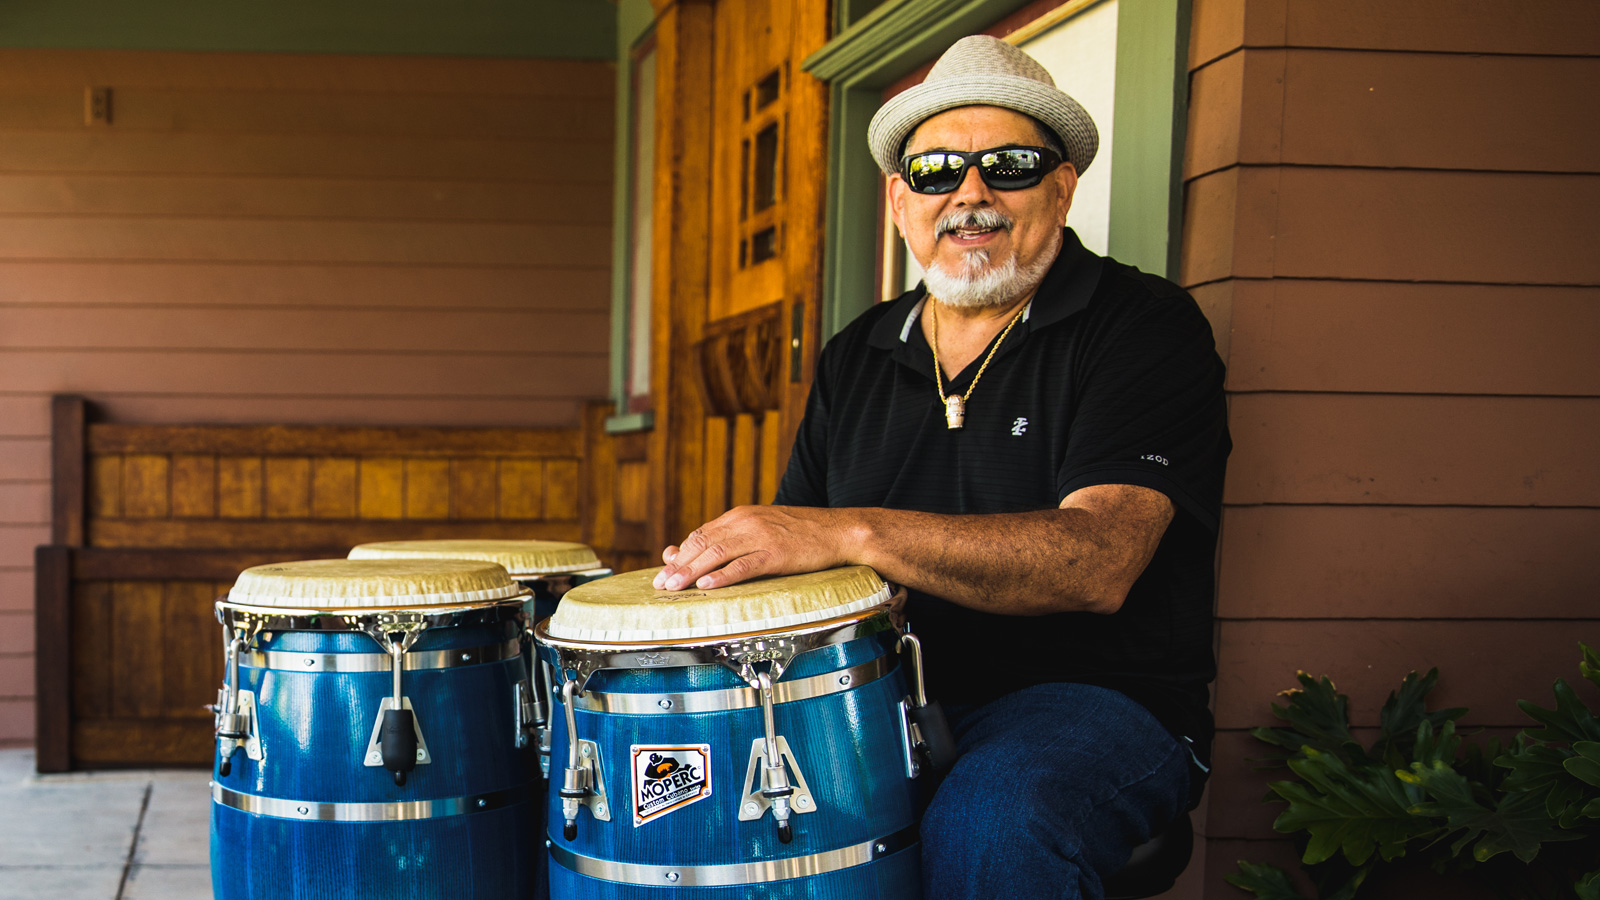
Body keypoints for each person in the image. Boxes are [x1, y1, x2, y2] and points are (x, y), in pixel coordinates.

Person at [652, 35, 1230, 900]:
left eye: (1010, 165)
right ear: (899, 200)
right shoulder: (858, 354)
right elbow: (796, 560)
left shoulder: (1142, 325)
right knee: (686, 803)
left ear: (1062, 186)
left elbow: (1100, 560)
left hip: (1089, 701)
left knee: (991, 818)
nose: (970, 194)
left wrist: (854, 532)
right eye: (936, 173)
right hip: (868, 699)